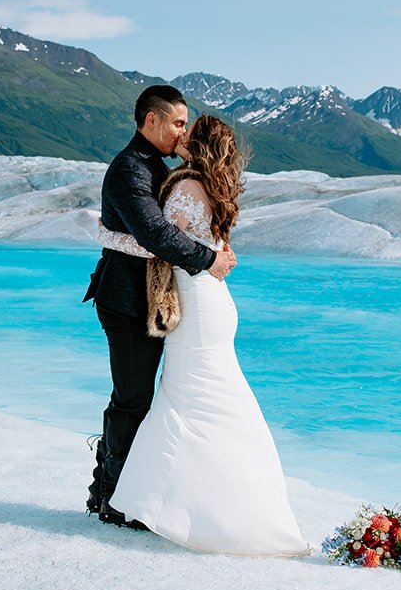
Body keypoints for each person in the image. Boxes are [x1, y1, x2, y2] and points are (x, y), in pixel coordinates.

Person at [108, 115, 312, 556]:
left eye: (187, 130)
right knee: (210, 398)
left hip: (199, 304)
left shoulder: (183, 188)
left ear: (196, 143)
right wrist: (216, 254)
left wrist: (107, 235)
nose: (179, 134)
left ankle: (167, 508)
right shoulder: (213, 186)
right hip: (214, 300)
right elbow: (200, 243)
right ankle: (184, 503)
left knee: (188, 399)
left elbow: (161, 240)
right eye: (176, 125)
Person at [85, 85, 237, 527]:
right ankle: (112, 501)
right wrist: (207, 259)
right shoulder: (129, 170)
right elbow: (155, 234)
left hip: (149, 302)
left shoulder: (156, 167)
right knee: (133, 401)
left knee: (134, 399)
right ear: (151, 121)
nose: (181, 131)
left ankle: (108, 491)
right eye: (175, 123)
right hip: (126, 301)